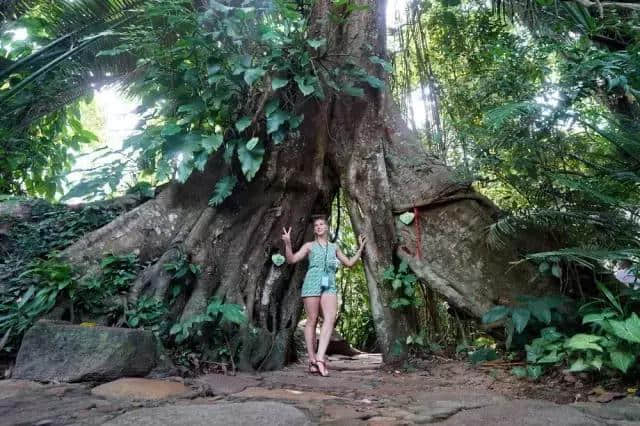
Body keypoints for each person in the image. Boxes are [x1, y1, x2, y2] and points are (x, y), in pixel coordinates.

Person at [282, 216, 366, 377]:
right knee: (312, 320)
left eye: (322, 224)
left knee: (330, 318)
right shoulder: (309, 246)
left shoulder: (334, 247)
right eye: (316, 225)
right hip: (312, 282)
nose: (319, 226)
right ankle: (312, 360)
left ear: (327, 228)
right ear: (315, 230)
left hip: (329, 284)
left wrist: (360, 249)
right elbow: (291, 259)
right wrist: (287, 243)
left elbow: (348, 263)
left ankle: (320, 358)